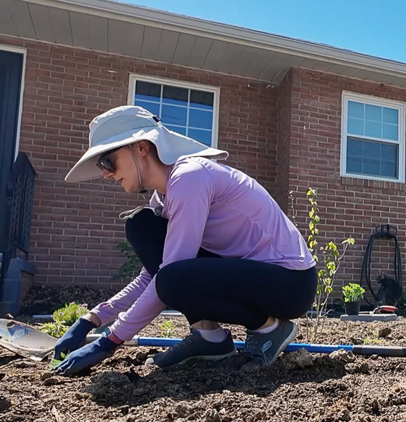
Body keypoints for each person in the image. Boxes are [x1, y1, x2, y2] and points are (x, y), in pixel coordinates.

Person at [53, 105, 317, 376]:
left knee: (171, 276)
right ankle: (208, 338)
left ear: (141, 147)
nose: (106, 173)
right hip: (252, 275)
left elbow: (170, 277)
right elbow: (154, 275)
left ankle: (270, 328)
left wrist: (109, 341)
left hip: (290, 282)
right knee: (142, 226)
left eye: (108, 161)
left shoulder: (190, 178)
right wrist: (92, 319)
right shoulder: (163, 197)